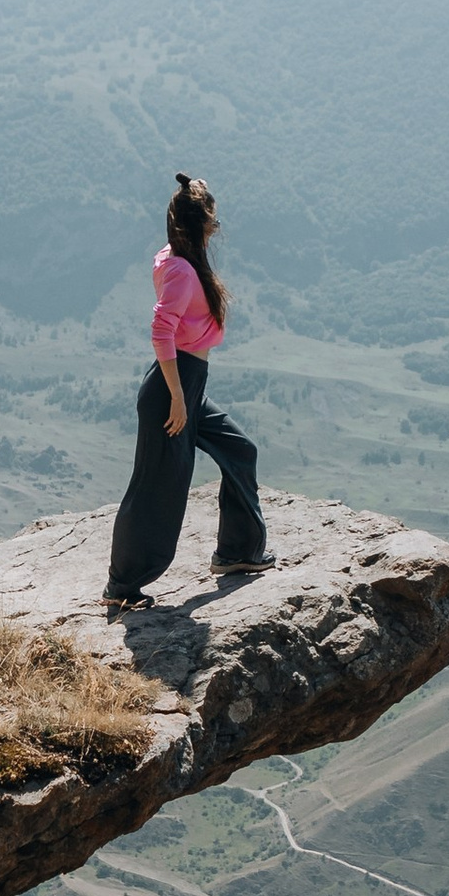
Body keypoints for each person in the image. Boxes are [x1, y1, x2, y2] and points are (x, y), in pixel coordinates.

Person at [104, 172, 269, 607]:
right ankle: (121, 587)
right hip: (172, 391)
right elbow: (161, 331)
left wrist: (192, 190)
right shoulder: (180, 269)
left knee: (240, 450)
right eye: (212, 218)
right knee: (155, 488)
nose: (217, 225)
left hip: (188, 386)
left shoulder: (177, 257)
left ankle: (236, 553)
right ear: (200, 224)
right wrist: (178, 397)